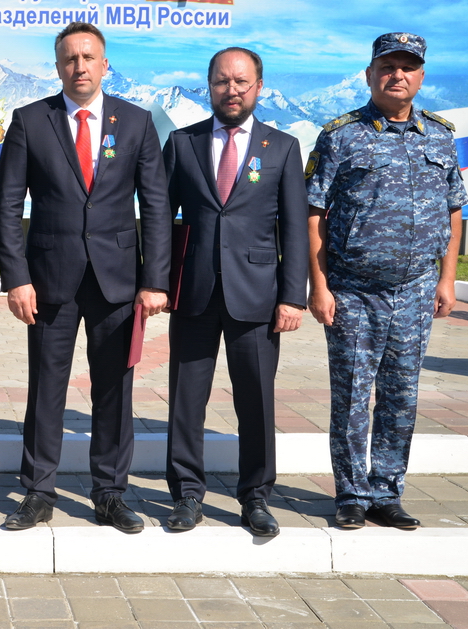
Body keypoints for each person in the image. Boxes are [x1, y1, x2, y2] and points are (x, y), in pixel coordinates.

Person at [0, 21, 171, 534]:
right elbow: (7, 205)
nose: (80, 67)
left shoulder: (135, 122)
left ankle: (110, 493)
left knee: (114, 389)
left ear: (105, 64)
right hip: (49, 279)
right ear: (57, 66)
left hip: (117, 280)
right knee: (45, 387)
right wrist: (16, 277)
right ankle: (38, 491)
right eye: (70, 59)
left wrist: (154, 279)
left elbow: (156, 206)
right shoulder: (31, 120)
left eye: (89, 57)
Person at [307, 32, 467, 531]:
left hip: (417, 290)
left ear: (421, 76)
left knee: (402, 396)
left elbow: (454, 210)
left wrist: (446, 279)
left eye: (407, 67)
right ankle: (351, 493)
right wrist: (319, 284)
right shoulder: (341, 135)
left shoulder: (438, 136)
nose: (397, 74)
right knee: (352, 395)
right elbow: (314, 213)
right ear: (370, 73)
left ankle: (386, 491)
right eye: (387, 66)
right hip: (353, 290)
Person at [162, 47, 308, 537]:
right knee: (187, 400)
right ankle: (185, 493)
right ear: (209, 85)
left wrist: (293, 296)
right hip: (194, 293)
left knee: (255, 401)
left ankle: (256, 497)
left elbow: (293, 227)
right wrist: (156, 283)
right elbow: (160, 221)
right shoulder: (183, 143)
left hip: (259, 297)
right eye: (222, 81)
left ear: (259, 87)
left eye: (242, 82)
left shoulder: (283, 148)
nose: (232, 90)